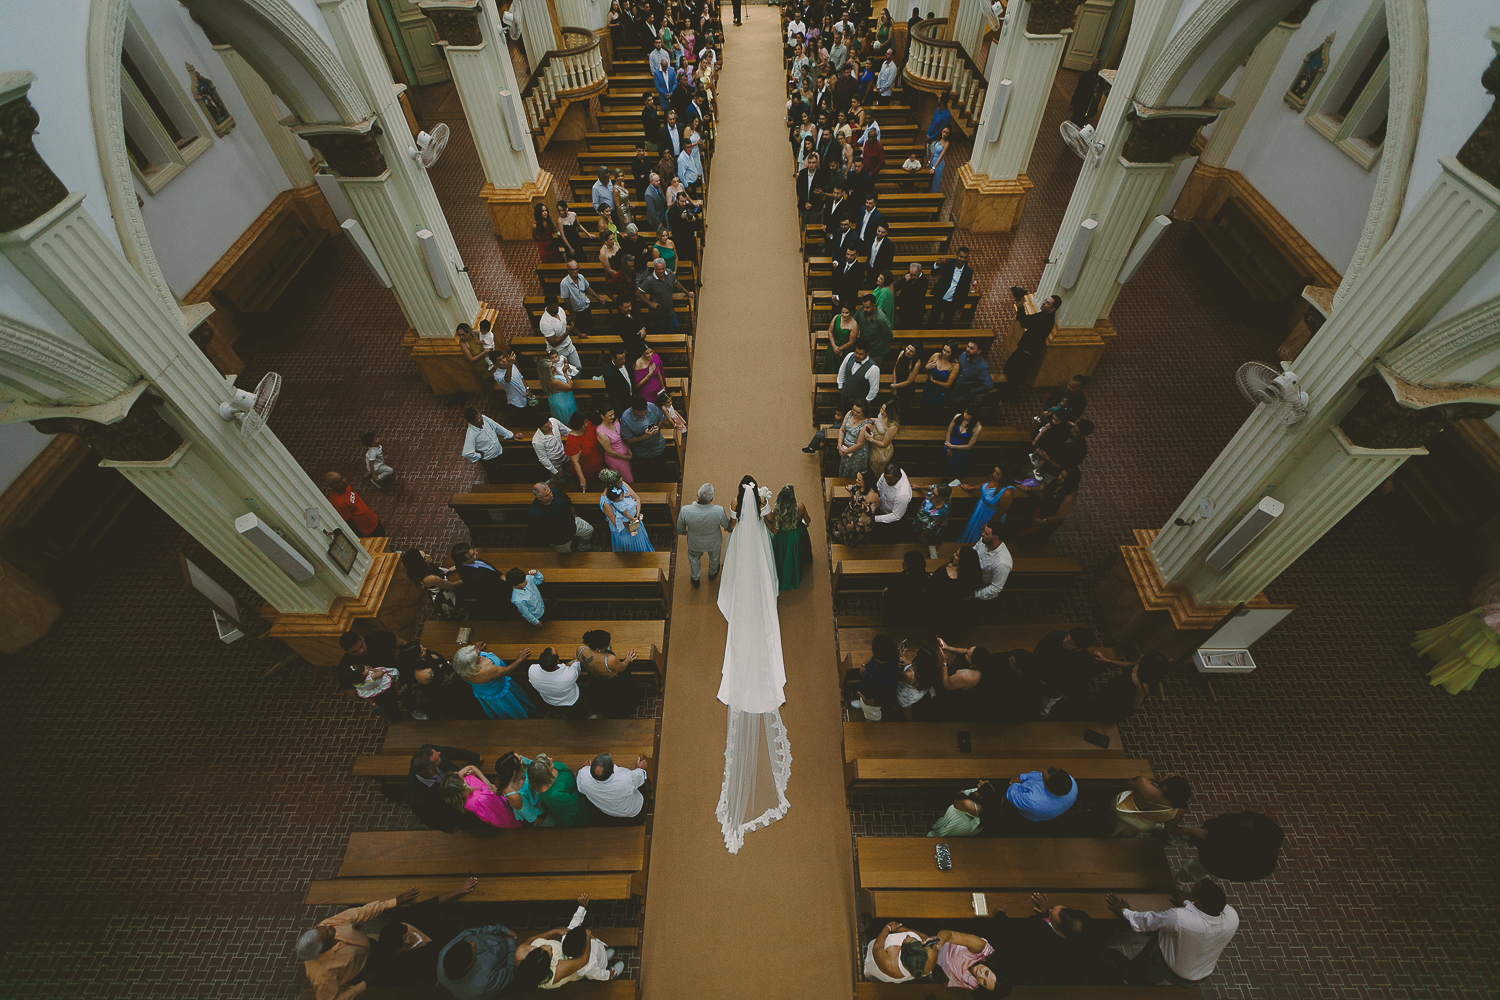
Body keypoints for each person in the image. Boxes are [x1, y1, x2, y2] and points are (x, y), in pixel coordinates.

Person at [298, 882, 479, 1000]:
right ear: (321, 949)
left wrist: (393, 902)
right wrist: (363, 985)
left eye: (322, 927)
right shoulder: (322, 975)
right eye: (327, 933)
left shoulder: (328, 925)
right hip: (365, 971)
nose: (329, 927)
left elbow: (363, 912)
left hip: (375, 948)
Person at [1107, 881, 1239, 986]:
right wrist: (1186, 902)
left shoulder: (1179, 918)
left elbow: (1147, 922)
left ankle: (1126, 979)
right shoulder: (1232, 918)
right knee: (1165, 936)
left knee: (1154, 949)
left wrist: (1125, 911)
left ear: (1197, 901)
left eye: (1192, 893)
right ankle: (1135, 974)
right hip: (1200, 974)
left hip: (1169, 969)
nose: (1188, 894)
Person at [1177, 810, 1285, 883]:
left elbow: (1214, 860)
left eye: (1247, 830)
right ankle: (1166, 835)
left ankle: (1172, 882)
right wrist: (1206, 828)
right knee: (1184, 832)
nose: (1243, 824)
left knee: (1190, 872)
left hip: (1209, 862)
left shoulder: (1255, 864)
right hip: (1212, 834)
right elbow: (1231, 818)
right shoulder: (1259, 821)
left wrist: (1200, 843)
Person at [1028, 626, 1102, 717]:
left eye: (1070, 643)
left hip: (1053, 689)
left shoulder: (1084, 663)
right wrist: (1037, 673)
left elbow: (1072, 683)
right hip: (1038, 674)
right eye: (1066, 637)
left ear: (1079, 649)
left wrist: (1049, 684)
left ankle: (1040, 716)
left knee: (1044, 705)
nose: (1064, 641)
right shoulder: (1055, 636)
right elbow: (1038, 652)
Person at [408, 744, 483, 833]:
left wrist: (475, 757)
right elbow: (429, 818)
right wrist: (450, 828)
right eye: (438, 759)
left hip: (466, 784)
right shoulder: (418, 800)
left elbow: (449, 751)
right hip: (458, 808)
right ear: (431, 770)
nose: (440, 753)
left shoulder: (429, 752)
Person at [437, 922, 520, 999]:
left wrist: (501, 929)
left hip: (498, 938)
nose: (474, 943)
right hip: (509, 953)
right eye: (474, 949)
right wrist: (511, 943)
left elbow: (468, 933)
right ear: (469, 965)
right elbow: (511, 969)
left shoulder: (445, 952)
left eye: (469, 941)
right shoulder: (484, 985)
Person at [452, 643, 534, 720]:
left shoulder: (461, 668)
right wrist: (520, 658)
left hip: (482, 690)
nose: (479, 652)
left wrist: (475, 651)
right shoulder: (487, 670)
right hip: (499, 691)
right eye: (478, 655)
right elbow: (508, 670)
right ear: (473, 662)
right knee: (511, 706)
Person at [336, 629, 403, 721]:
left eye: (361, 645)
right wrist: (371, 693)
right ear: (347, 651)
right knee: (388, 713)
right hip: (378, 696)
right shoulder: (344, 668)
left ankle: (413, 709)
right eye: (355, 651)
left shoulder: (377, 637)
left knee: (405, 696)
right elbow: (353, 694)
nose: (361, 651)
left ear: (361, 638)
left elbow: (403, 644)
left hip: (396, 679)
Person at [1004, 286, 1061, 388]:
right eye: (1045, 300)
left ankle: (1011, 395)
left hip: (1027, 352)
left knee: (1015, 375)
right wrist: (1020, 316)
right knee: (1010, 369)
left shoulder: (1044, 320)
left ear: (1052, 309)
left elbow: (1026, 323)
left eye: (1047, 303)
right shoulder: (1045, 314)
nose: (1044, 303)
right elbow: (1030, 319)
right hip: (1026, 349)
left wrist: (1020, 305)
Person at [576, 630, 640, 719]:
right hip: (613, 683)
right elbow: (622, 668)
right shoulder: (610, 660)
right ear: (601, 648)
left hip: (596, 680)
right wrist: (628, 659)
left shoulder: (580, 650)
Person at [676, 482, 729, 587]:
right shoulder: (719, 510)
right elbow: (726, 525)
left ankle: (695, 578)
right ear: (711, 500)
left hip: (694, 542)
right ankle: (712, 573)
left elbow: (679, 528)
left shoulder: (685, 510)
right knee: (714, 557)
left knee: (693, 557)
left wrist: (684, 532)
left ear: (697, 495)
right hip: (713, 542)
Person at [575, 752, 649, 824]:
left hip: (608, 813)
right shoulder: (626, 779)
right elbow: (641, 776)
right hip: (635, 811)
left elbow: (579, 780)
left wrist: (584, 768)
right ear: (612, 771)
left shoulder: (583, 775)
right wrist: (640, 768)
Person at [440, 764, 522, 829]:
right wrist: (493, 788)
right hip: (501, 809)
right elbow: (499, 809)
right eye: (461, 778)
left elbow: (471, 768)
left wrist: (486, 782)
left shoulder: (461, 792)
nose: (461, 774)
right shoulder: (481, 800)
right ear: (462, 785)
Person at [1113, 772, 1193, 837]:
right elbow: (1170, 830)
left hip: (1119, 809)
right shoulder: (1178, 812)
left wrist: (1160, 783)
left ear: (1165, 787)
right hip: (1138, 825)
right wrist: (1191, 831)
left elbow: (1126, 785)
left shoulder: (1144, 785)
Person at [527, 753, 593, 826]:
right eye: (549, 761)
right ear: (546, 774)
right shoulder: (554, 795)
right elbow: (574, 803)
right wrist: (583, 774)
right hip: (578, 807)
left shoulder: (546, 771)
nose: (551, 759)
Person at [530, 483, 596, 553]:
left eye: (550, 492)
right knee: (565, 555)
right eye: (547, 495)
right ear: (539, 497)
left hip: (572, 523)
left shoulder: (555, 492)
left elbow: (567, 500)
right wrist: (552, 541)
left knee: (589, 530)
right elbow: (537, 530)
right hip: (560, 538)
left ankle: (584, 548)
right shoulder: (535, 513)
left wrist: (574, 514)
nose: (551, 495)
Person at [927, 547, 981, 632]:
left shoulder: (968, 577)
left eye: (957, 555)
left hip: (950, 609)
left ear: (963, 560)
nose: (953, 555)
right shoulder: (947, 570)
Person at [768, 484, 812, 590]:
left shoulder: (778, 510)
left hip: (783, 537)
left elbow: (774, 530)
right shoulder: (800, 507)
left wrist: (765, 521)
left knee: (784, 556)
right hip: (796, 535)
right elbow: (808, 520)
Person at [402, 548, 462, 621]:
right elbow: (451, 586)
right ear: (420, 563)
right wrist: (464, 579)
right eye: (425, 557)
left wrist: (460, 565)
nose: (428, 555)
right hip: (445, 597)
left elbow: (443, 571)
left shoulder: (424, 568)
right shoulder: (430, 578)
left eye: (426, 553)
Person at [850, 633, 900, 721]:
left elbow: (881, 700)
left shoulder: (884, 681)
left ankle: (872, 720)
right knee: (863, 703)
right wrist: (866, 664)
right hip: (867, 686)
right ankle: (862, 704)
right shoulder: (891, 653)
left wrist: (867, 702)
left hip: (870, 698)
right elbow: (874, 657)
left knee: (871, 715)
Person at [449, 544, 508, 618]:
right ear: (463, 562)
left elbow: (488, 567)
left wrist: (500, 575)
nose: (476, 553)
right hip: (493, 594)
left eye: (474, 551)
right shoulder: (475, 577)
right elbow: (494, 588)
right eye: (472, 555)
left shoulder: (470, 561)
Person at [599, 471, 654, 552]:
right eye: (619, 482)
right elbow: (616, 523)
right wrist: (632, 521)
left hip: (635, 522)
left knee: (642, 546)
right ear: (611, 486)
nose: (622, 483)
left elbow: (637, 498)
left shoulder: (623, 485)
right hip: (625, 531)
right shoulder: (605, 503)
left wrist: (637, 515)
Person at [957, 466, 1013, 544]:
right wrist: (970, 488)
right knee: (971, 529)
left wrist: (989, 524)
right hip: (979, 510)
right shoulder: (994, 479)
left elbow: (1001, 512)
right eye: (995, 471)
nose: (994, 474)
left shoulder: (1007, 492)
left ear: (1004, 477)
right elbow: (983, 486)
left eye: (997, 474)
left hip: (989, 516)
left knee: (980, 536)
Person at [619, 394, 669, 481]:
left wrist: (658, 427)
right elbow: (627, 440)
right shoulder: (626, 418)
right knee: (646, 477)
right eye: (640, 413)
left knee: (663, 474)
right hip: (642, 454)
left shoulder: (652, 407)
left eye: (645, 411)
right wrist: (645, 437)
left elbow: (661, 418)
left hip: (658, 447)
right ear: (633, 409)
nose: (643, 414)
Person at [460, 407, 516, 484]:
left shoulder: (484, 418)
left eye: (480, 417)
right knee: (496, 478)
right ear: (471, 422)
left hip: (499, 452)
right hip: (490, 461)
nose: (481, 420)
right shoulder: (471, 434)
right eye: (478, 419)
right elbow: (466, 453)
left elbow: (496, 426)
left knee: (505, 471)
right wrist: (479, 455)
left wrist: (511, 435)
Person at [638, 257, 693, 334]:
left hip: (670, 310)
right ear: (654, 269)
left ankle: (666, 337)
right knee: (661, 329)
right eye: (658, 269)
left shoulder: (670, 273)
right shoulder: (649, 280)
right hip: (658, 313)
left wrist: (687, 292)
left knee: (675, 327)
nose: (661, 271)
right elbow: (638, 293)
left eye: (662, 268)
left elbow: (676, 284)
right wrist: (650, 303)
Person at [1004, 766, 1078, 822]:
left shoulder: (1032, 800)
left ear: (1048, 788)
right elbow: (1043, 775)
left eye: (1043, 775)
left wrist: (1015, 784)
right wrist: (1023, 777)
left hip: (1026, 811)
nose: (1042, 770)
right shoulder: (1072, 783)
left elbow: (1012, 796)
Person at [322, 472, 384, 538]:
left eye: (342, 478)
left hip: (373, 520)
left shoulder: (346, 486)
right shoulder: (338, 503)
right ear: (332, 486)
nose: (344, 481)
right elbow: (349, 523)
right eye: (338, 482)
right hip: (366, 531)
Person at [527, 647, 585, 717]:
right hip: (572, 702)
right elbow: (576, 665)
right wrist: (575, 659)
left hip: (550, 701)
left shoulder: (532, 671)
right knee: (579, 714)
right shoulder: (569, 675)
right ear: (557, 661)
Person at [539, 295, 584, 375]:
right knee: (564, 373)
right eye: (554, 307)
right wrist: (567, 333)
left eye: (557, 305)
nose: (557, 308)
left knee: (578, 367)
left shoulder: (560, 310)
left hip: (569, 346)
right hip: (558, 352)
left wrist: (579, 334)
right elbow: (553, 342)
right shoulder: (545, 323)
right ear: (548, 306)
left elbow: (567, 325)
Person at [831, 470, 878, 545]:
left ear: (866, 481)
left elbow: (866, 518)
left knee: (850, 537)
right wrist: (852, 488)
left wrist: (853, 525)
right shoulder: (860, 486)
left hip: (858, 524)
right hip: (849, 514)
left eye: (859, 480)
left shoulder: (872, 497)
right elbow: (856, 491)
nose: (856, 481)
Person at [930, 247, 974, 327]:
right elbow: (933, 273)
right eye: (961, 256)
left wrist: (961, 305)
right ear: (957, 255)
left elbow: (965, 288)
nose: (962, 259)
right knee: (933, 318)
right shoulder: (948, 263)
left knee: (947, 321)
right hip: (940, 297)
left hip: (953, 301)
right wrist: (937, 264)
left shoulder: (968, 271)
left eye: (965, 257)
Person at [559, 260, 604, 338]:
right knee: (584, 330)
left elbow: (588, 289)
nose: (575, 271)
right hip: (578, 312)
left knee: (591, 326)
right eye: (573, 270)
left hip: (586, 308)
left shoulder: (581, 277)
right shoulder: (564, 283)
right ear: (568, 270)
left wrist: (598, 298)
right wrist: (572, 314)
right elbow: (566, 300)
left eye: (576, 269)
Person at [563, 412, 606, 491]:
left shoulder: (588, 425)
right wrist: (582, 478)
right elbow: (576, 462)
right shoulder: (573, 441)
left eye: (586, 422)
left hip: (598, 463)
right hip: (587, 470)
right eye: (583, 424)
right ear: (577, 425)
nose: (586, 424)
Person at [973, 523, 1013, 602]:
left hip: (980, 589)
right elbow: (974, 551)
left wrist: (974, 595)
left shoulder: (1002, 564)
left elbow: (995, 589)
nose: (982, 534)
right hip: (972, 577)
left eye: (986, 533)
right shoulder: (984, 541)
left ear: (995, 538)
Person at [835, 399, 875, 477]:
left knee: (853, 475)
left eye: (858, 412)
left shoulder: (866, 424)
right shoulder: (849, 414)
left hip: (857, 454)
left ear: (864, 412)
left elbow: (859, 444)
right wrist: (839, 445)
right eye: (854, 410)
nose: (854, 413)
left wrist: (846, 451)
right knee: (844, 470)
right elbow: (842, 430)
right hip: (845, 448)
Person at [594, 406, 634, 484]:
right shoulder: (601, 432)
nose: (613, 417)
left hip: (626, 455)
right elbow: (610, 452)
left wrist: (628, 448)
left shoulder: (616, 421)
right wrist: (625, 457)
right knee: (625, 480)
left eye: (613, 414)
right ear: (602, 416)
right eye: (610, 415)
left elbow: (623, 436)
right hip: (616, 460)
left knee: (630, 476)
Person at [951, 339, 993, 411]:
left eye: (972, 348)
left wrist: (975, 391)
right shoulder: (964, 355)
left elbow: (989, 385)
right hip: (952, 391)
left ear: (979, 351)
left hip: (963, 398)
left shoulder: (982, 367)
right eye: (968, 346)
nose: (968, 349)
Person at [837, 343, 881, 412]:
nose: (857, 355)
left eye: (860, 354)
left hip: (859, 405)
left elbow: (874, 389)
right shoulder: (849, 356)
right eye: (856, 352)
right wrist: (840, 387)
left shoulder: (873, 368)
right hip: (845, 397)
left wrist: (865, 402)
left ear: (867, 354)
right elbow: (842, 370)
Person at [941, 407, 982, 477]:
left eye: (968, 415)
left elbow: (969, 446)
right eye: (965, 412)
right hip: (951, 442)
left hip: (961, 450)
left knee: (954, 469)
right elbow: (949, 432)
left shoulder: (977, 427)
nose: (965, 415)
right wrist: (948, 449)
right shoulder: (958, 417)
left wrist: (951, 446)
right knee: (945, 464)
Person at [913, 485, 951, 559]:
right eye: (932, 492)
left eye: (936, 496)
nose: (932, 496)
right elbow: (930, 487)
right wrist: (919, 487)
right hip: (920, 519)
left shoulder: (941, 512)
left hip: (925, 527)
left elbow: (930, 528)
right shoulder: (938, 489)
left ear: (943, 497)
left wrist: (922, 536)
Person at [532, 417, 572, 487]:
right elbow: (543, 458)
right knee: (559, 479)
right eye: (546, 427)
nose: (550, 427)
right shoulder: (537, 441)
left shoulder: (553, 421)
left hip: (565, 453)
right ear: (539, 427)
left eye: (549, 424)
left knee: (571, 470)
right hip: (554, 461)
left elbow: (567, 431)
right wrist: (555, 472)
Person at [823, 301, 860, 374]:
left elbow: (851, 342)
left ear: (851, 312)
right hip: (833, 345)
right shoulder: (837, 317)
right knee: (830, 366)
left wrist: (840, 349)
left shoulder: (854, 324)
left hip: (845, 349)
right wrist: (834, 346)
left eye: (847, 313)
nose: (844, 315)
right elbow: (830, 332)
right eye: (842, 312)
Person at [857, 294, 892, 364]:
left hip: (876, 352)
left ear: (874, 306)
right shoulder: (861, 310)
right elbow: (854, 320)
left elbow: (889, 335)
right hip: (863, 349)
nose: (864, 309)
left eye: (867, 307)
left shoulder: (881, 319)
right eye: (863, 307)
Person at [874, 462, 912, 527]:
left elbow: (896, 516)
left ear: (898, 477)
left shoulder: (902, 495)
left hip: (892, 517)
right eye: (885, 478)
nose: (886, 481)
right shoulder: (888, 474)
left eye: (890, 479)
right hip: (880, 505)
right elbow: (878, 486)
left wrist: (874, 518)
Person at [894, 262, 928, 329]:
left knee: (914, 328)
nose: (912, 277)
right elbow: (898, 286)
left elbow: (914, 294)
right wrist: (904, 280)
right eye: (911, 274)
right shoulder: (908, 276)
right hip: (904, 308)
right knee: (903, 326)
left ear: (919, 272)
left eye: (914, 275)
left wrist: (907, 282)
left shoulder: (924, 281)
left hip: (916, 310)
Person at [1070, 58, 1103, 126]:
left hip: (1089, 101)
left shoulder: (1099, 77)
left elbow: (1101, 87)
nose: (1096, 67)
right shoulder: (1085, 75)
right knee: (1076, 117)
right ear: (1091, 65)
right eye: (1094, 65)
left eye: (1097, 65)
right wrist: (1073, 102)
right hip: (1081, 100)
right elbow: (1078, 89)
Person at [928, 124, 951, 193]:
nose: (944, 134)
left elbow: (941, 156)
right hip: (933, 160)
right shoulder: (939, 139)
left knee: (936, 180)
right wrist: (929, 161)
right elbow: (934, 152)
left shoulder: (946, 143)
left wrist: (934, 167)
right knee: (930, 179)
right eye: (944, 132)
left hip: (938, 163)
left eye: (947, 133)